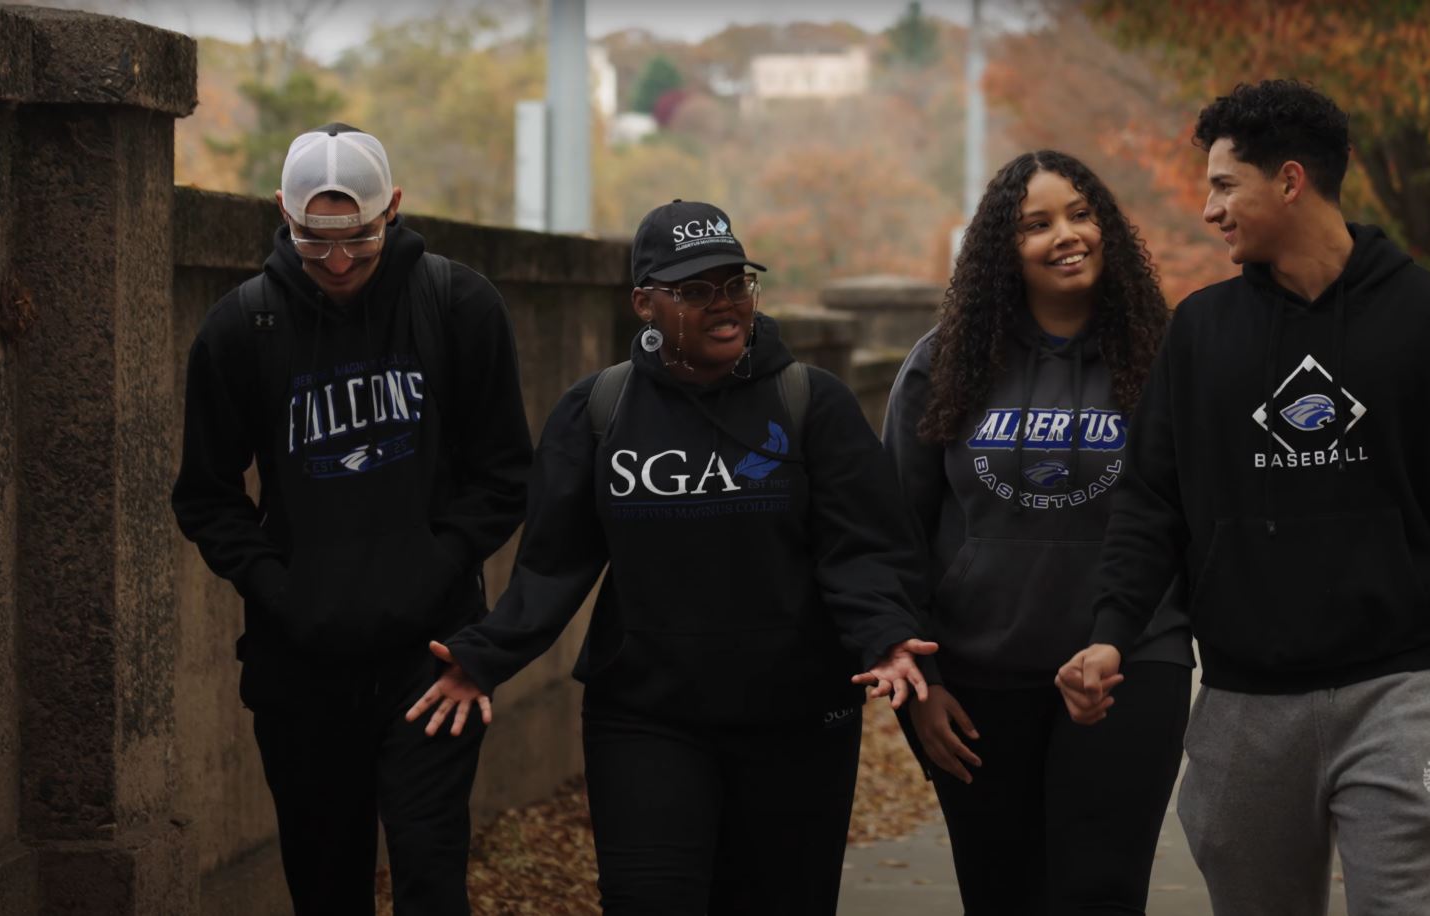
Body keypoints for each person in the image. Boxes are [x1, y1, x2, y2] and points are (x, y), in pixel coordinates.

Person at [1056, 80, 1430, 915]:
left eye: (1225, 185)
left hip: (1404, 694)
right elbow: (1150, 502)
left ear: (1290, 180)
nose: (1207, 209)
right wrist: (1111, 634)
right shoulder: (1200, 332)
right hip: (1242, 704)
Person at [407, 199, 937, 916]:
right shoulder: (598, 411)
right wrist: (487, 656)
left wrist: (883, 635)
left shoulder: (811, 403)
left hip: (797, 720)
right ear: (644, 304)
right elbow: (554, 563)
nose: (723, 306)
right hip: (647, 719)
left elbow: (861, 547)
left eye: (735, 284)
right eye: (694, 291)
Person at [171, 123, 532, 916]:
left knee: (430, 876)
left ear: (392, 209)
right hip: (299, 667)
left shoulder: (458, 304)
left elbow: (505, 475)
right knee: (325, 884)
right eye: (313, 241)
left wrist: (435, 566)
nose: (337, 263)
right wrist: (280, 589)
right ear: (283, 213)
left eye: (359, 241)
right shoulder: (241, 328)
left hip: (430, 660)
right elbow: (204, 493)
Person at [881, 150, 1193, 914]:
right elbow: (894, 538)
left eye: (1082, 214)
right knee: (1001, 895)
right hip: (978, 679)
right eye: (1037, 223)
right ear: (1001, 250)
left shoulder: (1165, 362)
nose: (1067, 234)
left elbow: (1192, 520)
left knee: (1098, 892)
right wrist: (922, 690)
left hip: (1129, 665)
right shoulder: (943, 366)